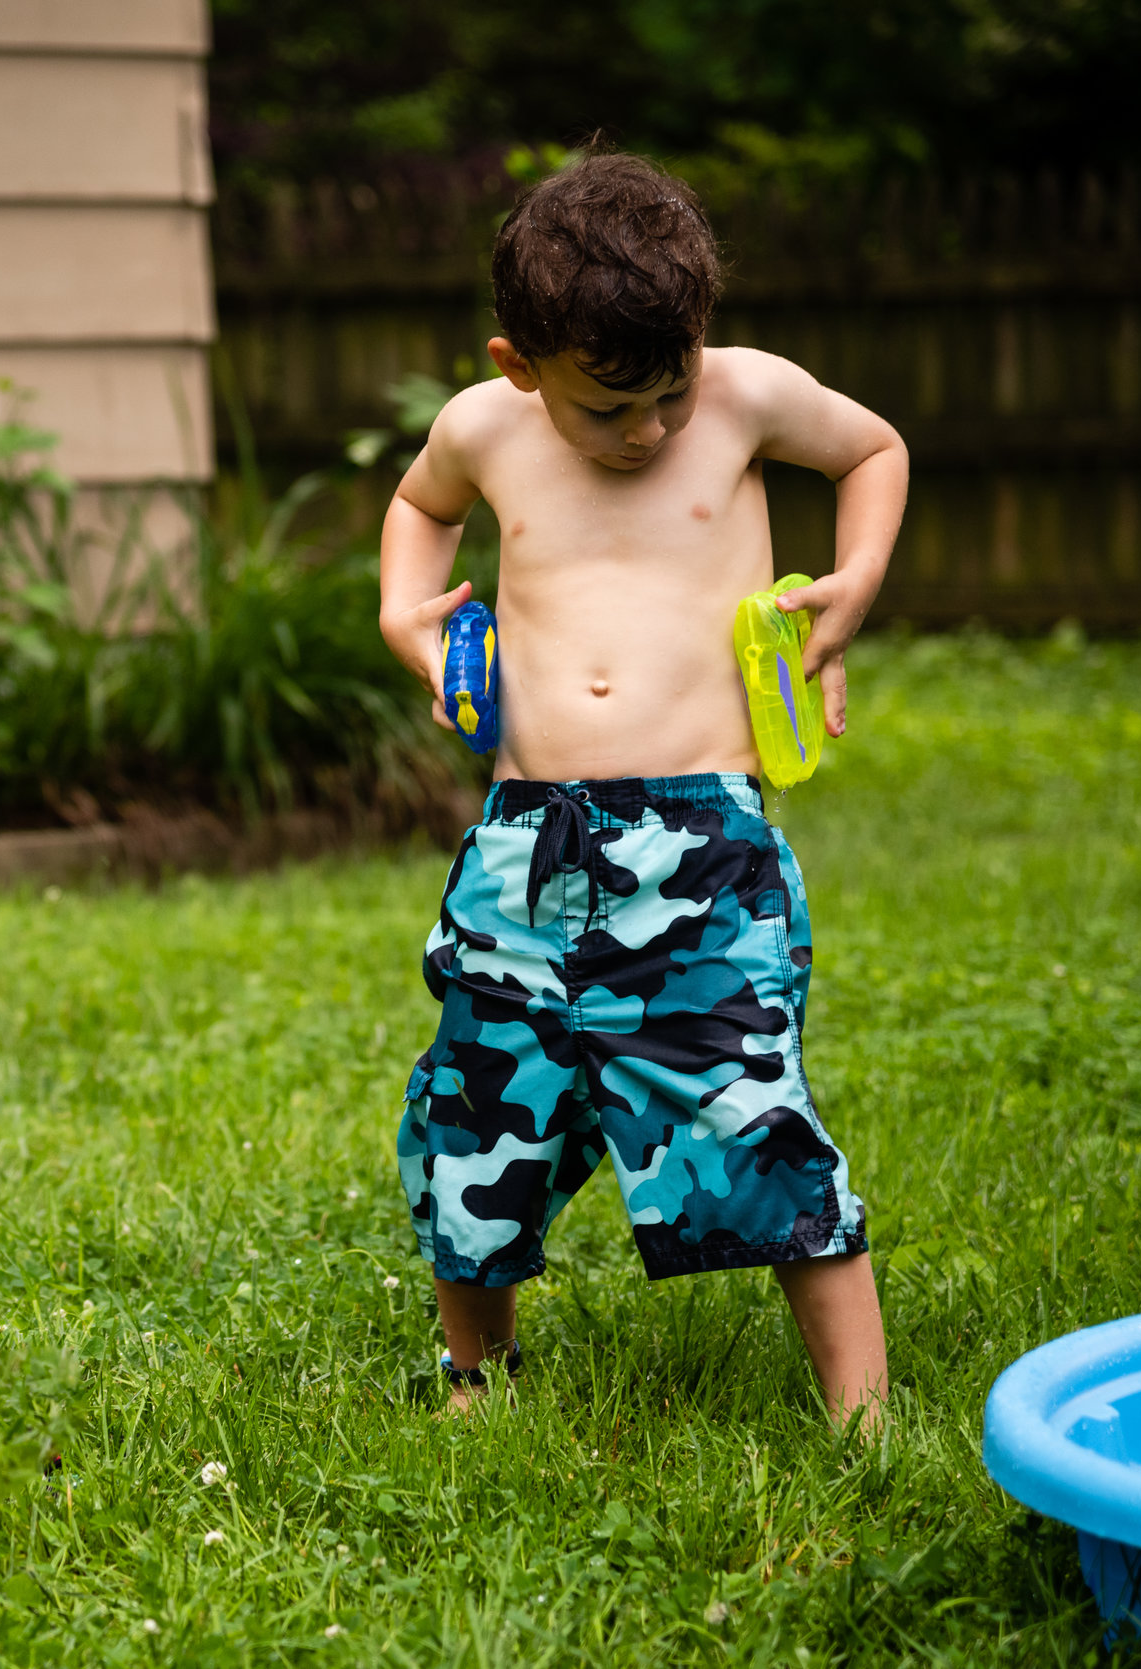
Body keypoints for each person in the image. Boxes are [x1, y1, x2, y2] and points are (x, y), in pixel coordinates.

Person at [378, 150, 906, 1423]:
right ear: (519, 363)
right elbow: (417, 503)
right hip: (522, 842)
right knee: (477, 1099)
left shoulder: (744, 400)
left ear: (699, 345)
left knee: (742, 1096)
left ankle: (863, 1413)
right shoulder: (483, 426)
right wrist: (407, 614)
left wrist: (852, 585)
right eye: (607, 407)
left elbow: (873, 449)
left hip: (698, 845)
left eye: (666, 395)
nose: (648, 431)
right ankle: (475, 1375)